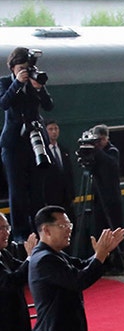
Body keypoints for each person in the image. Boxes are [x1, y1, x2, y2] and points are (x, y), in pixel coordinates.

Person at [1, 46, 54, 239]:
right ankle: (20, 235)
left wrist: (39, 89)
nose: (25, 71)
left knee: (37, 190)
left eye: (28, 67)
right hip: (14, 143)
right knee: (17, 191)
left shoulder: (35, 82)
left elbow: (49, 106)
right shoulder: (5, 82)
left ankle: (40, 231)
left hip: (35, 140)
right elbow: (4, 103)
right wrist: (17, 84)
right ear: (13, 67)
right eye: (21, 67)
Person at [88, 125, 124, 247]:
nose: (99, 143)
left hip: (112, 198)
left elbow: (111, 164)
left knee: (114, 228)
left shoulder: (112, 151)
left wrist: (97, 151)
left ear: (107, 138)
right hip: (99, 198)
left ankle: (117, 256)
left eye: (101, 139)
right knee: (100, 229)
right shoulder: (95, 153)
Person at [42, 120, 75, 215]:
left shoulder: (64, 150)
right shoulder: (43, 152)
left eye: (56, 129)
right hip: (50, 198)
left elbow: (69, 173)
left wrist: (72, 195)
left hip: (66, 198)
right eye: (50, 129)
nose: (54, 132)